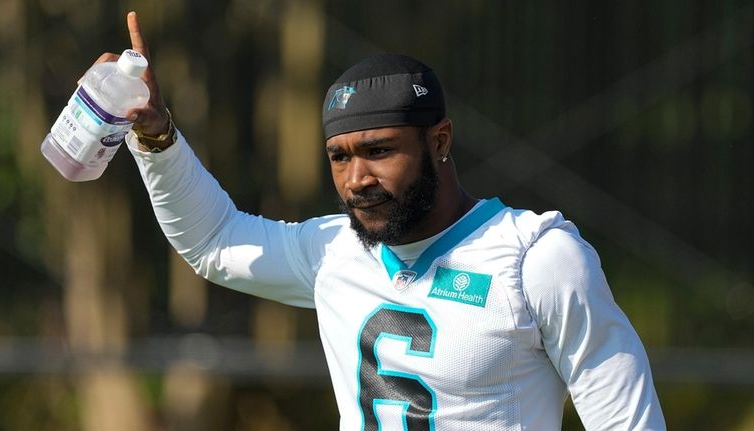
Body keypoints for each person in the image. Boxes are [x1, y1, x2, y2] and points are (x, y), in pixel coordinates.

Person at [114, 11, 666, 430]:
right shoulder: (332, 251)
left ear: (440, 141)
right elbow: (214, 241)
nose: (357, 179)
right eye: (339, 156)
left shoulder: (538, 259)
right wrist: (155, 135)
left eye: (379, 151)